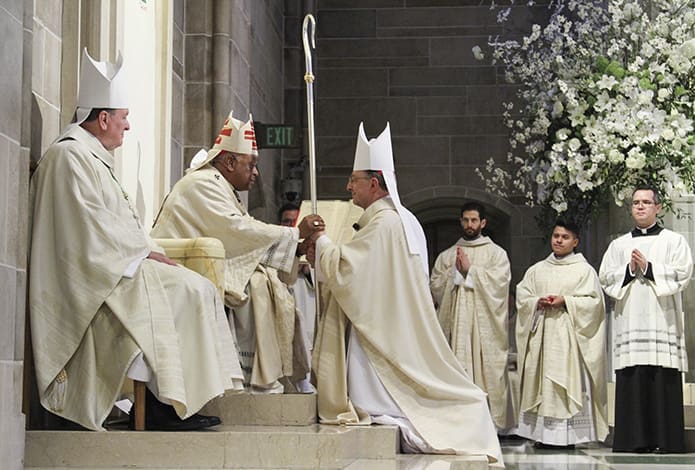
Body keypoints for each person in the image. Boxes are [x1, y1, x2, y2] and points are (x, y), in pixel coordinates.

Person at [29, 49, 244, 431]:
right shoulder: (68, 158)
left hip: (118, 267)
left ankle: (174, 401)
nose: (127, 127)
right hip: (93, 282)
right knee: (188, 290)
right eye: (124, 119)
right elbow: (84, 236)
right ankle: (164, 406)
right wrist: (142, 254)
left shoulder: (91, 158)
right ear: (104, 118)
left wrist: (150, 251)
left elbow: (118, 227)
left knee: (198, 287)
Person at [306, 122, 503, 465]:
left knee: (388, 397)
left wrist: (321, 242)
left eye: (354, 179)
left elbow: (352, 272)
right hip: (395, 321)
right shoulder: (403, 219)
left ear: (374, 183)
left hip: (383, 331)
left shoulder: (385, 223)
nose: (348, 186)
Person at [151, 111, 324, 393]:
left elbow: (242, 240)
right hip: (176, 268)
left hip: (200, 266)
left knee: (266, 283)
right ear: (230, 161)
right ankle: (254, 379)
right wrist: (295, 233)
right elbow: (239, 230)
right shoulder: (203, 183)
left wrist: (297, 249)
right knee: (258, 286)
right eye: (251, 164)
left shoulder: (222, 186)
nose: (255, 173)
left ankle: (267, 376)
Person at [599, 185, 693, 453]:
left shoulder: (674, 241)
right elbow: (605, 277)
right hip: (630, 320)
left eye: (646, 202)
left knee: (662, 377)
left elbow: (683, 273)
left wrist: (649, 268)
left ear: (658, 207)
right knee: (633, 376)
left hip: (663, 321)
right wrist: (629, 270)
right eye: (636, 203)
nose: (640, 207)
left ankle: (667, 441)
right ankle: (634, 440)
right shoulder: (619, 245)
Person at [515, 221, 608, 446]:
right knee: (540, 384)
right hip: (542, 339)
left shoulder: (584, 271)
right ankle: (540, 435)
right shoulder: (537, 269)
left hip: (569, 339)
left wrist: (565, 301)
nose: (558, 240)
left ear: (575, 241)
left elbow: (594, 303)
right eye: (556, 235)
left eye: (564, 237)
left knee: (565, 383)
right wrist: (537, 301)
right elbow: (522, 295)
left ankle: (568, 437)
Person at [429, 202, 513, 431]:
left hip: (483, 328)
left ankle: (487, 426)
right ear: (460, 221)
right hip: (456, 326)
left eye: (474, 220)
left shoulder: (496, 254)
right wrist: (454, 273)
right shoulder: (447, 256)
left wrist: (470, 271)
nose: (469, 225)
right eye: (465, 220)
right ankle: (457, 423)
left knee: (485, 372)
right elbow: (435, 285)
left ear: (483, 223)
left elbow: (501, 284)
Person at [278, 203, 317, 393]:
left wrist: (310, 269)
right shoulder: (276, 247)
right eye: (287, 221)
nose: (291, 225)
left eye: (295, 221)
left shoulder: (313, 246)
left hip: (308, 311)